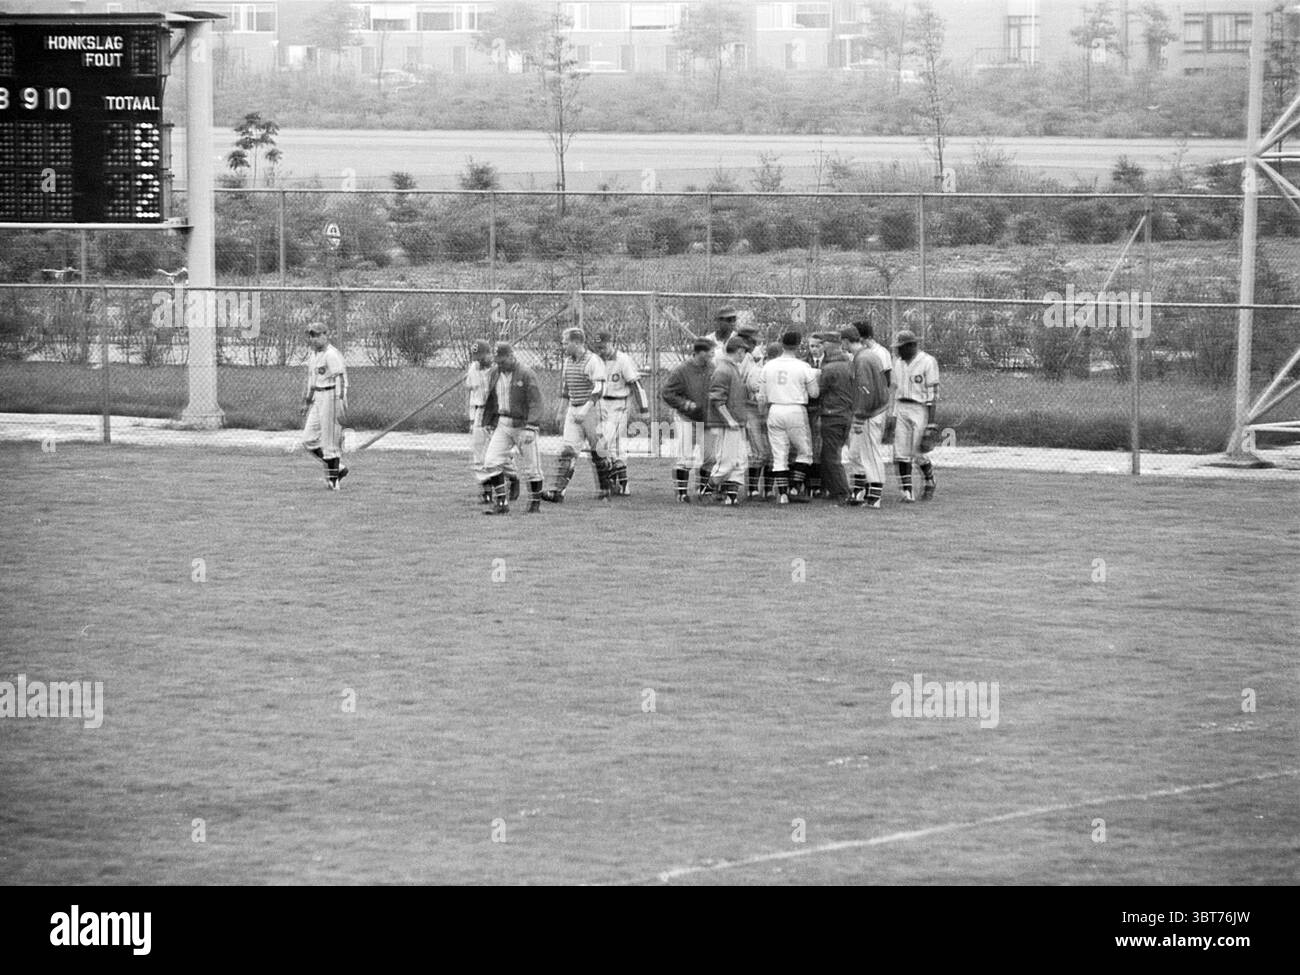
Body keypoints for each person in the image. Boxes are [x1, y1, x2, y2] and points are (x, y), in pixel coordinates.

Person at [542, 328, 610, 503]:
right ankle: (557, 492)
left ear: (577, 343)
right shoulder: (567, 362)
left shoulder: (592, 361)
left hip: (592, 409)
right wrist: (561, 411)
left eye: (566, 342)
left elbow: (599, 389)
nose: (563, 346)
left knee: (598, 451)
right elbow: (566, 388)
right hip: (574, 409)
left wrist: (585, 410)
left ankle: (605, 489)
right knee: (568, 450)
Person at [478, 343, 546, 515]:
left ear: (511, 356)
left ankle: (535, 505)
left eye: (502, 360)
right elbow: (492, 399)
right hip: (503, 423)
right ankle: (501, 502)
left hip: (523, 424)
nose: (500, 363)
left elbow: (536, 402)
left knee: (532, 467)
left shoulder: (526, 373)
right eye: (497, 360)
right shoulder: (495, 373)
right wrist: (489, 421)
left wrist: (532, 426)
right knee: (491, 461)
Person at [758, 331, 819, 504]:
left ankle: (783, 494)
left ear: (781, 344)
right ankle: (793, 486)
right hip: (795, 409)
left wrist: (763, 414)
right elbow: (814, 393)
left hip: (774, 409)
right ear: (799, 345)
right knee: (805, 452)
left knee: (779, 454)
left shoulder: (768, 366)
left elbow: (761, 396)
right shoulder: (803, 366)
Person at [593, 331, 648, 497]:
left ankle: (615, 483)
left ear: (611, 343)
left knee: (606, 443)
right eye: (598, 347)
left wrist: (644, 409)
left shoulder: (622, 360)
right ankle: (620, 484)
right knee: (612, 446)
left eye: (604, 346)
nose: (601, 350)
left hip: (619, 403)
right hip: (601, 403)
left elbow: (636, 385)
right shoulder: (596, 360)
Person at [842, 325, 891, 508]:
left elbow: (865, 390)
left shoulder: (861, 359)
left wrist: (860, 416)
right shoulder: (870, 354)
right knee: (862, 454)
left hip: (871, 413)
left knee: (870, 454)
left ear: (847, 341)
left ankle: (875, 497)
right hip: (877, 409)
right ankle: (867, 493)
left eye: (843, 342)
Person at [889, 329, 941, 502]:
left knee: (917, 451)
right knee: (900, 452)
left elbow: (932, 395)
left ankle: (929, 481)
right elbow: (894, 390)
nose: (898, 351)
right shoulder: (898, 362)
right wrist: (892, 415)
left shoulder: (927, 361)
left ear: (911, 346)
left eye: (901, 347)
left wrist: (931, 424)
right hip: (901, 406)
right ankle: (907, 492)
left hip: (919, 407)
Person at [661, 338, 714, 502]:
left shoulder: (712, 368)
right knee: (686, 457)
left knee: (710, 457)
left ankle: (703, 490)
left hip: (707, 418)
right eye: (710, 351)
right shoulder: (682, 370)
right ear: (701, 352)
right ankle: (682, 493)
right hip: (686, 418)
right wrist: (684, 403)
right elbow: (667, 393)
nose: (712, 354)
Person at [300, 323, 349, 490]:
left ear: (325, 335)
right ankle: (339, 469)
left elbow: (341, 379)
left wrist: (340, 401)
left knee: (330, 441)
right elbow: (312, 381)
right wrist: (307, 401)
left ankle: (333, 481)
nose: (313, 339)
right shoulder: (314, 355)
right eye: (311, 335)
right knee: (308, 439)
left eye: (316, 335)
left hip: (331, 396)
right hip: (318, 398)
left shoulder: (331, 354)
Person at [467, 339, 515, 504]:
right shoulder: (473, 368)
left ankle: (513, 477)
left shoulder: (498, 370)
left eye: (482, 356)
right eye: (476, 357)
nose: (479, 360)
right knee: (479, 451)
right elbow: (471, 393)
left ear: (490, 354)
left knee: (499, 451)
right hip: (480, 411)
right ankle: (486, 490)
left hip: (497, 412)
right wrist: (471, 418)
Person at [704, 337, 750, 505]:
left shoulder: (732, 368)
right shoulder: (723, 370)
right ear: (739, 351)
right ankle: (707, 491)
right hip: (726, 423)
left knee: (740, 460)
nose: (744, 355)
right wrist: (729, 419)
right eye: (744, 351)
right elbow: (717, 399)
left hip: (737, 421)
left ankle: (731, 496)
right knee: (727, 461)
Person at [814, 331, 854, 502]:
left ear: (830, 344)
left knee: (831, 457)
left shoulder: (830, 368)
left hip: (833, 415)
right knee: (829, 454)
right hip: (846, 414)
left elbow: (818, 392)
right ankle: (833, 490)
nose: (821, 347)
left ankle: (843, 492)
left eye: (823, 343)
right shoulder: (850, 364)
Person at [736, 323, 771, 500]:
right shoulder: (742, 358)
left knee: (765, 450)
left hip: (755, 407)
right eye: (753, 341)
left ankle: (762, 489)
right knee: (759, 451)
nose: (755, 345)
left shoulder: (752, 357)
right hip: (747, 407)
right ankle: (751, 489)